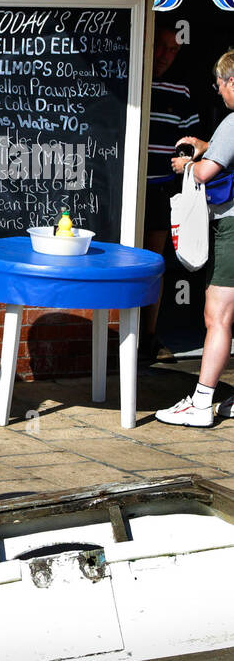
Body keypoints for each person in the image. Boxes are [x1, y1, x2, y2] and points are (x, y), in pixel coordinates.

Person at [156, 49, 234, 427]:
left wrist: (188, 163)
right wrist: (207, 148)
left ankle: (201, 403)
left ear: (231, 81)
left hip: (232, 228)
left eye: (220, 85)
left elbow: (205, 174)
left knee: (216, 317)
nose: (219, 93)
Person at [141, 23, 200, 363]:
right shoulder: (129, 80)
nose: (165, 55)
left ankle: (148, 338)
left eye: (173, 50)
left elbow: (190, 143)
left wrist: (186, 159)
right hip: (123, 192)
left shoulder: (180, 91)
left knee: (153, 264)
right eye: (160, 46)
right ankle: (119, 335)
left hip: (160, 190)